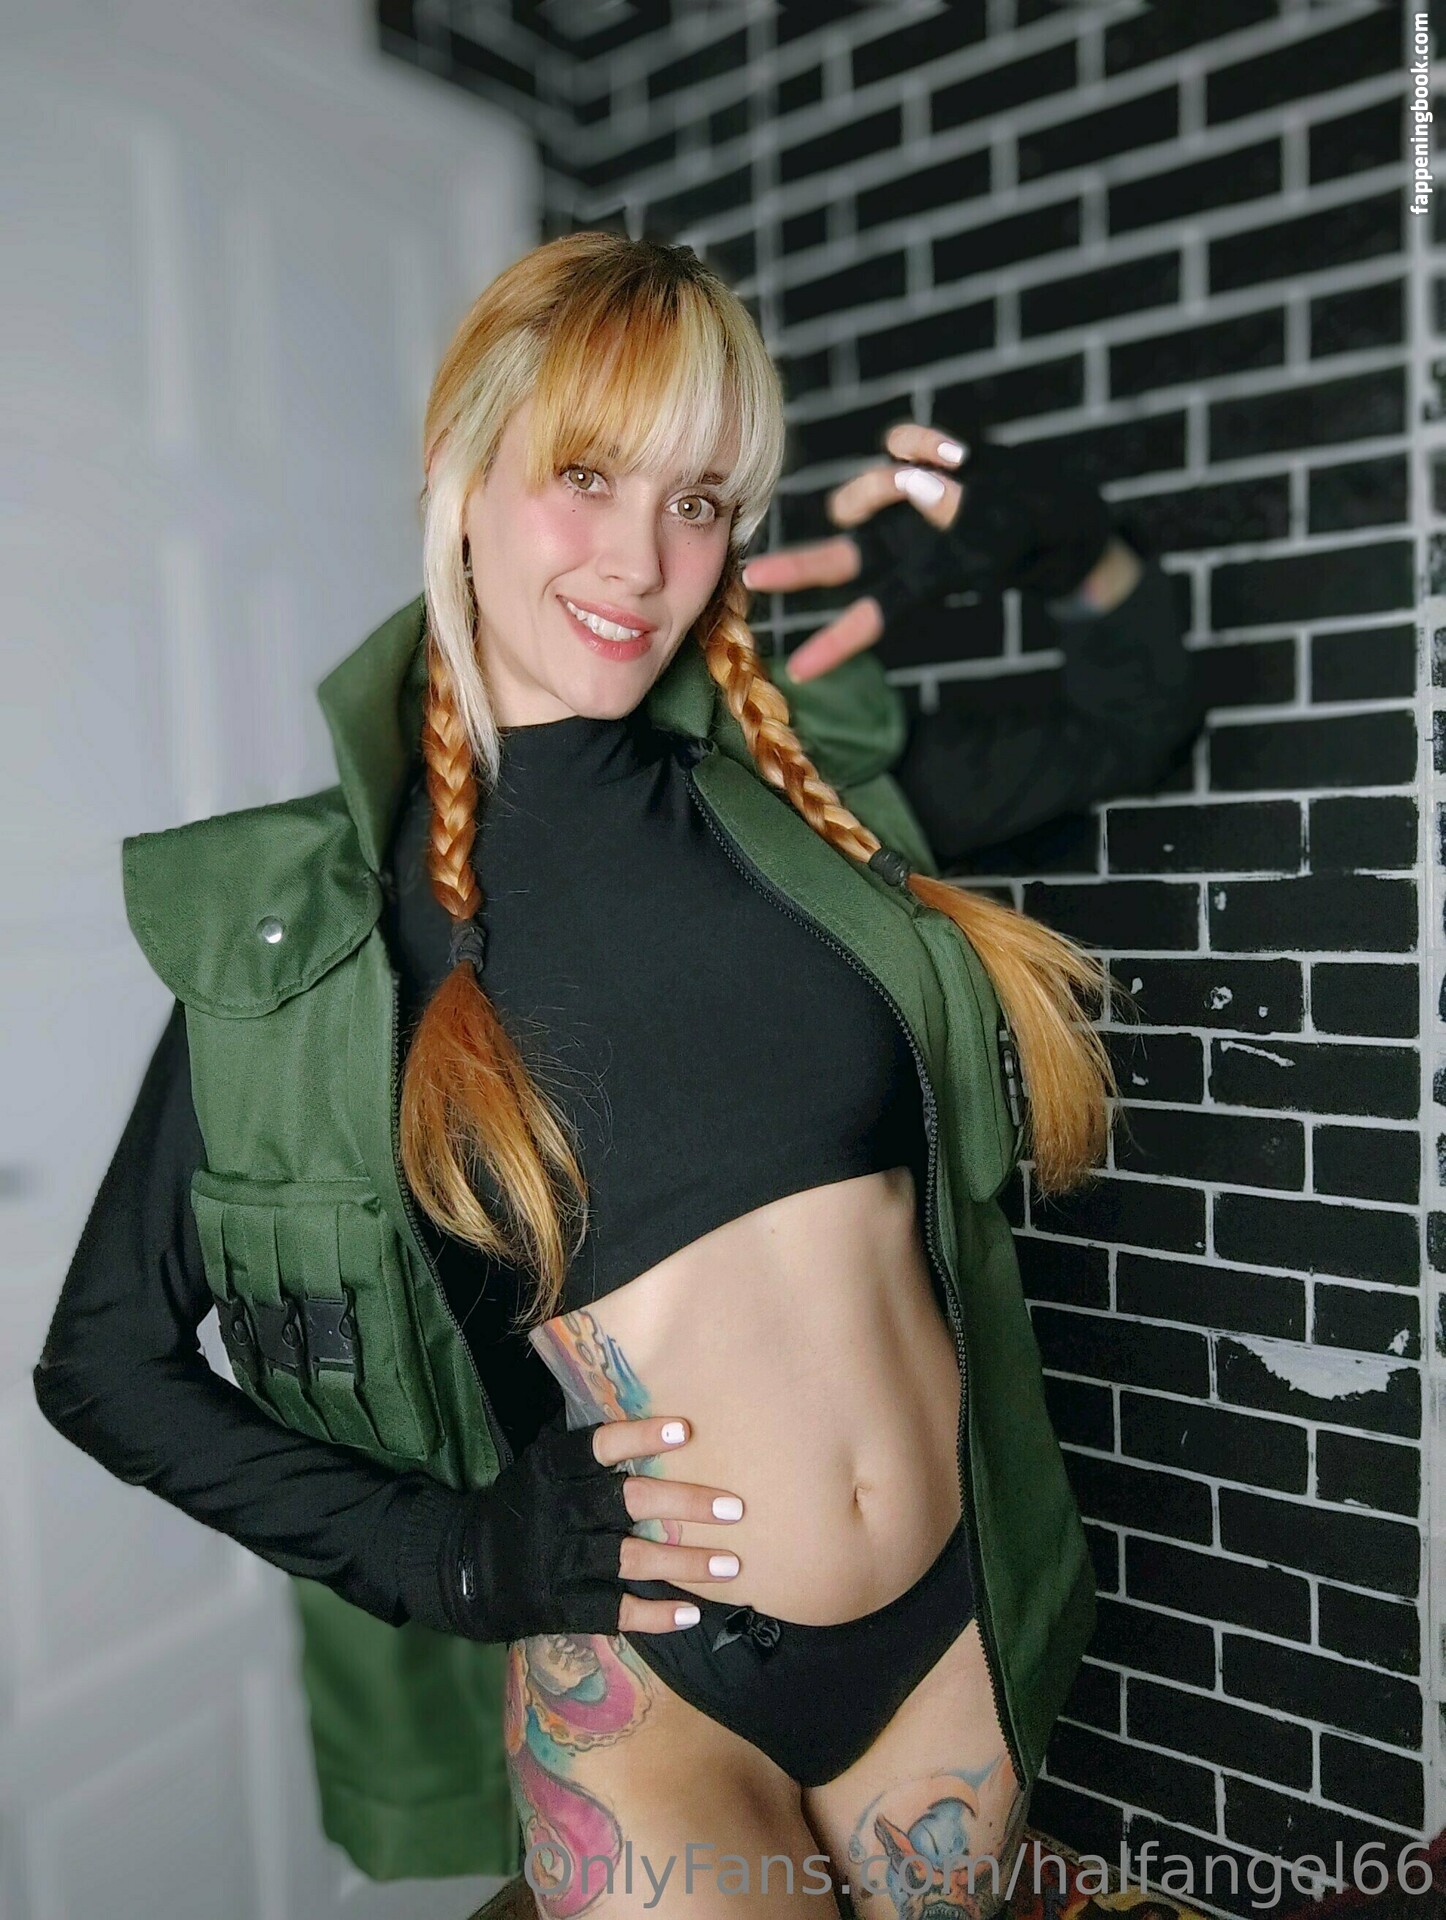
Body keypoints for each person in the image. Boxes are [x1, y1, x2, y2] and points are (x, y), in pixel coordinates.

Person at [32, 232, 1200, 1918]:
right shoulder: (333, 940)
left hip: (956, 1632)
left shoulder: (806, 815)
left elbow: (1131, 710)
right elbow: (103, 1362)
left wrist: (1072, 552)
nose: (643, 560)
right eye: (585, 477)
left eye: (699, 502)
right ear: (460, 476)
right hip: (656, 1693)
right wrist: (441, 1555)